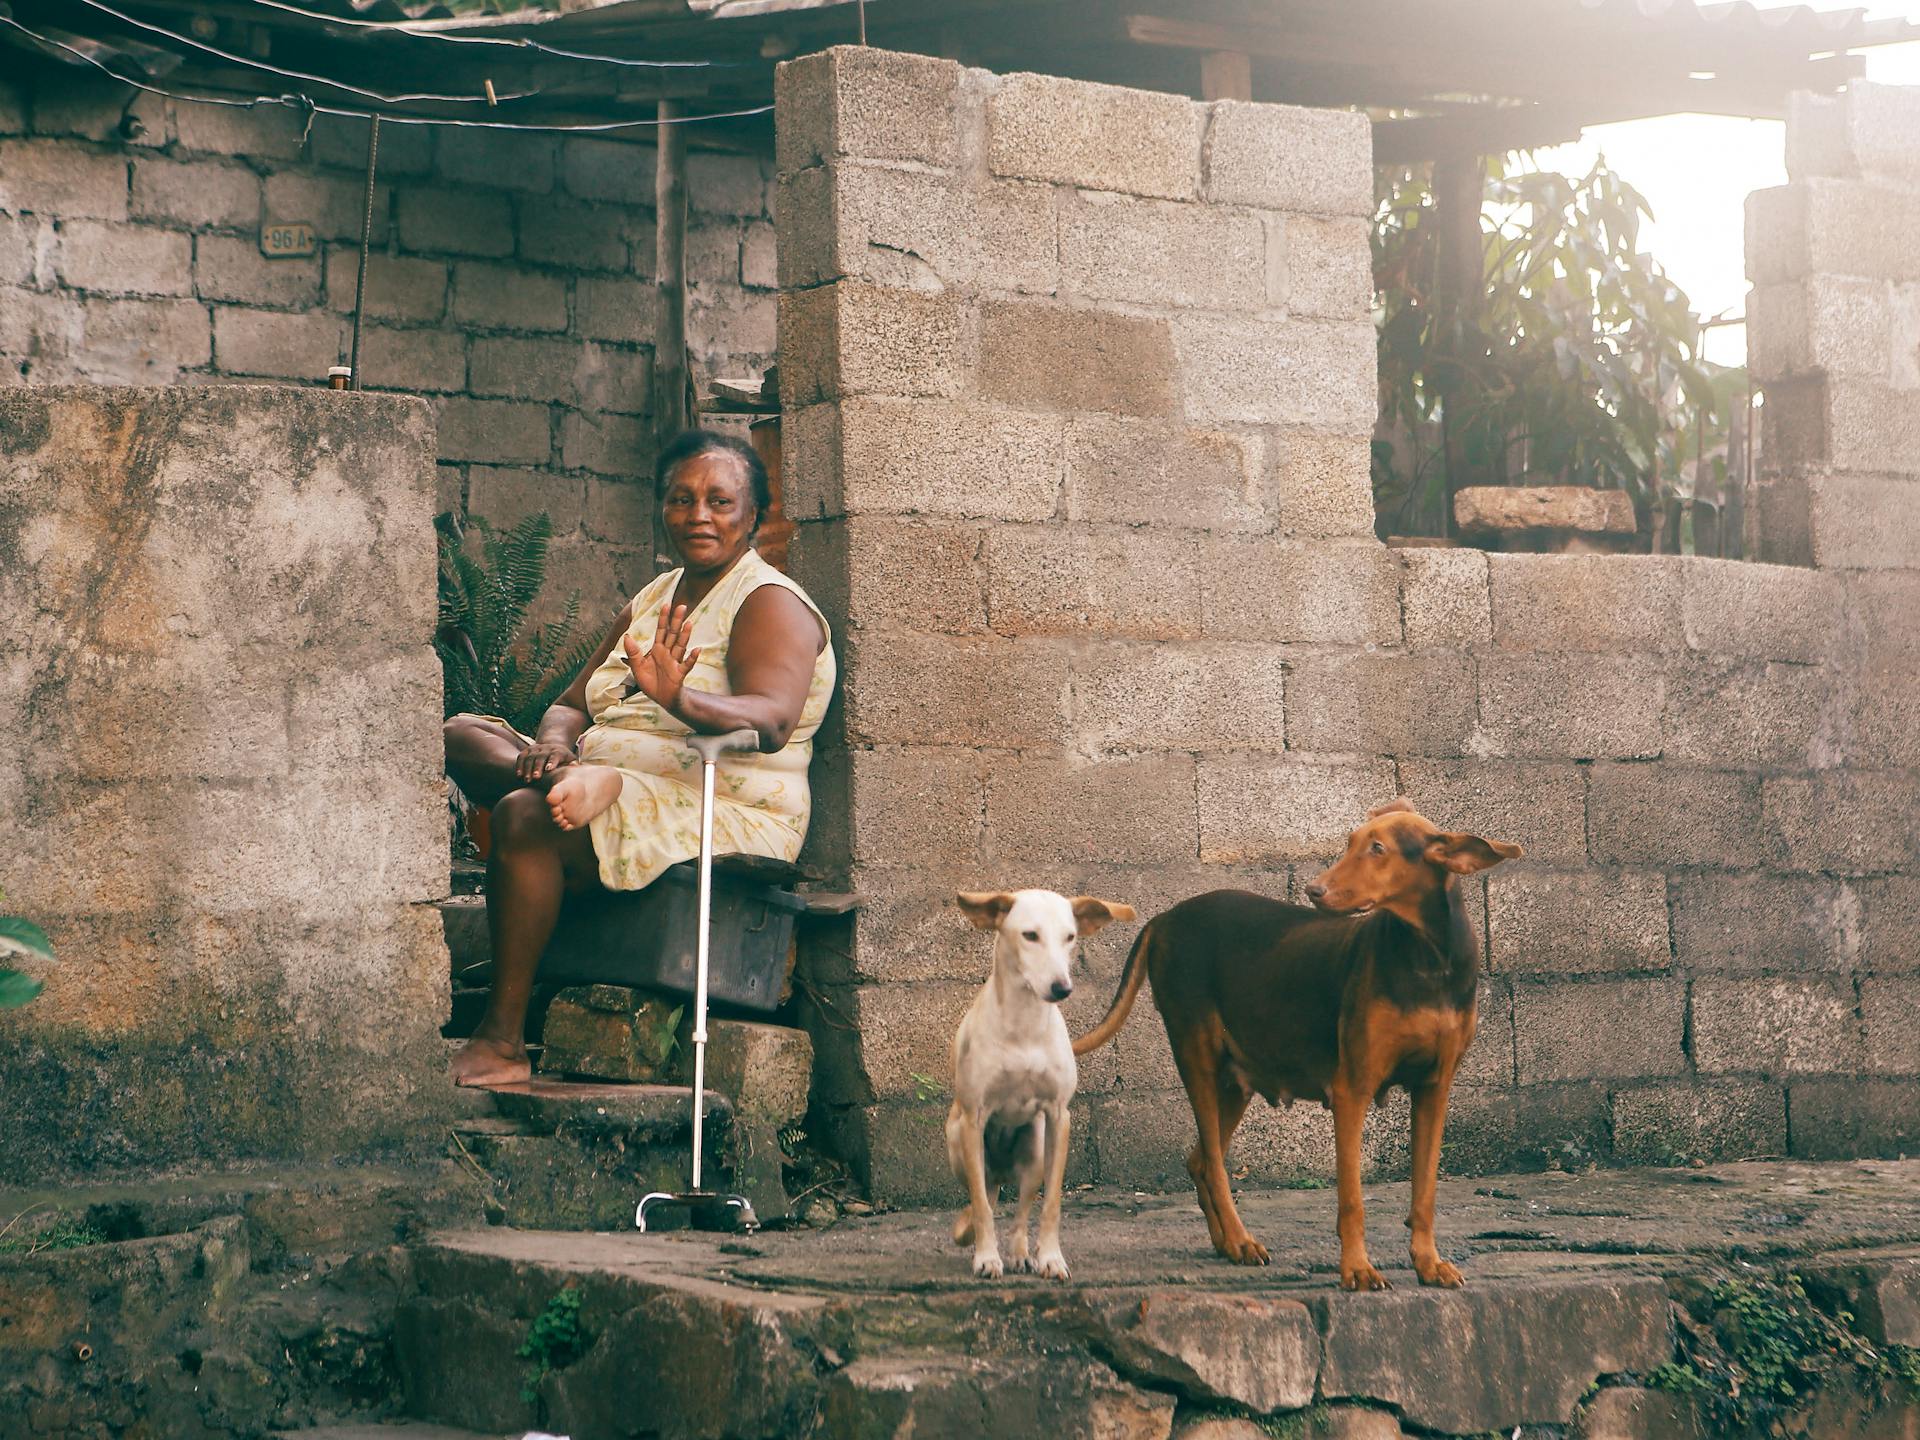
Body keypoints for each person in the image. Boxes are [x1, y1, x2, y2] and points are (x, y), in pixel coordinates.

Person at [442, 429, 836, 1087]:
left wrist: (681, 699)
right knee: (458, 733)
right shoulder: (656, 596)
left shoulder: (768, 602)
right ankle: (575, 781)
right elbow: (571, 702)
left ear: (754, 517)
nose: (697, 515)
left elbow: (769, 720)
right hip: (607, 773)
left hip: (721, 801)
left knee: (522, 818)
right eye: (681, 499)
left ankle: (502, 1041)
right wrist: (553, 746)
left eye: (719, 500)